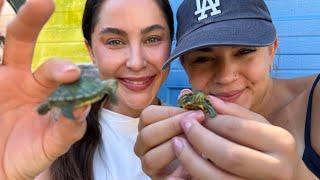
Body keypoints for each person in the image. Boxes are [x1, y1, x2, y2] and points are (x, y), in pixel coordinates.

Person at [134, 0, 320, 179]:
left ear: (272, 49)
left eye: (244, 51)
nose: (225, 77)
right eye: (202, 59)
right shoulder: (188, 129)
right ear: (185, 66)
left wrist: (298, 175)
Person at [0, 0, 174, 180]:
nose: (136, 63)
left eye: (153, 39)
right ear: (90, 51)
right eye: (115, 42)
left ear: (171, 45)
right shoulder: (54, 134)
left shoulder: (192, 133)